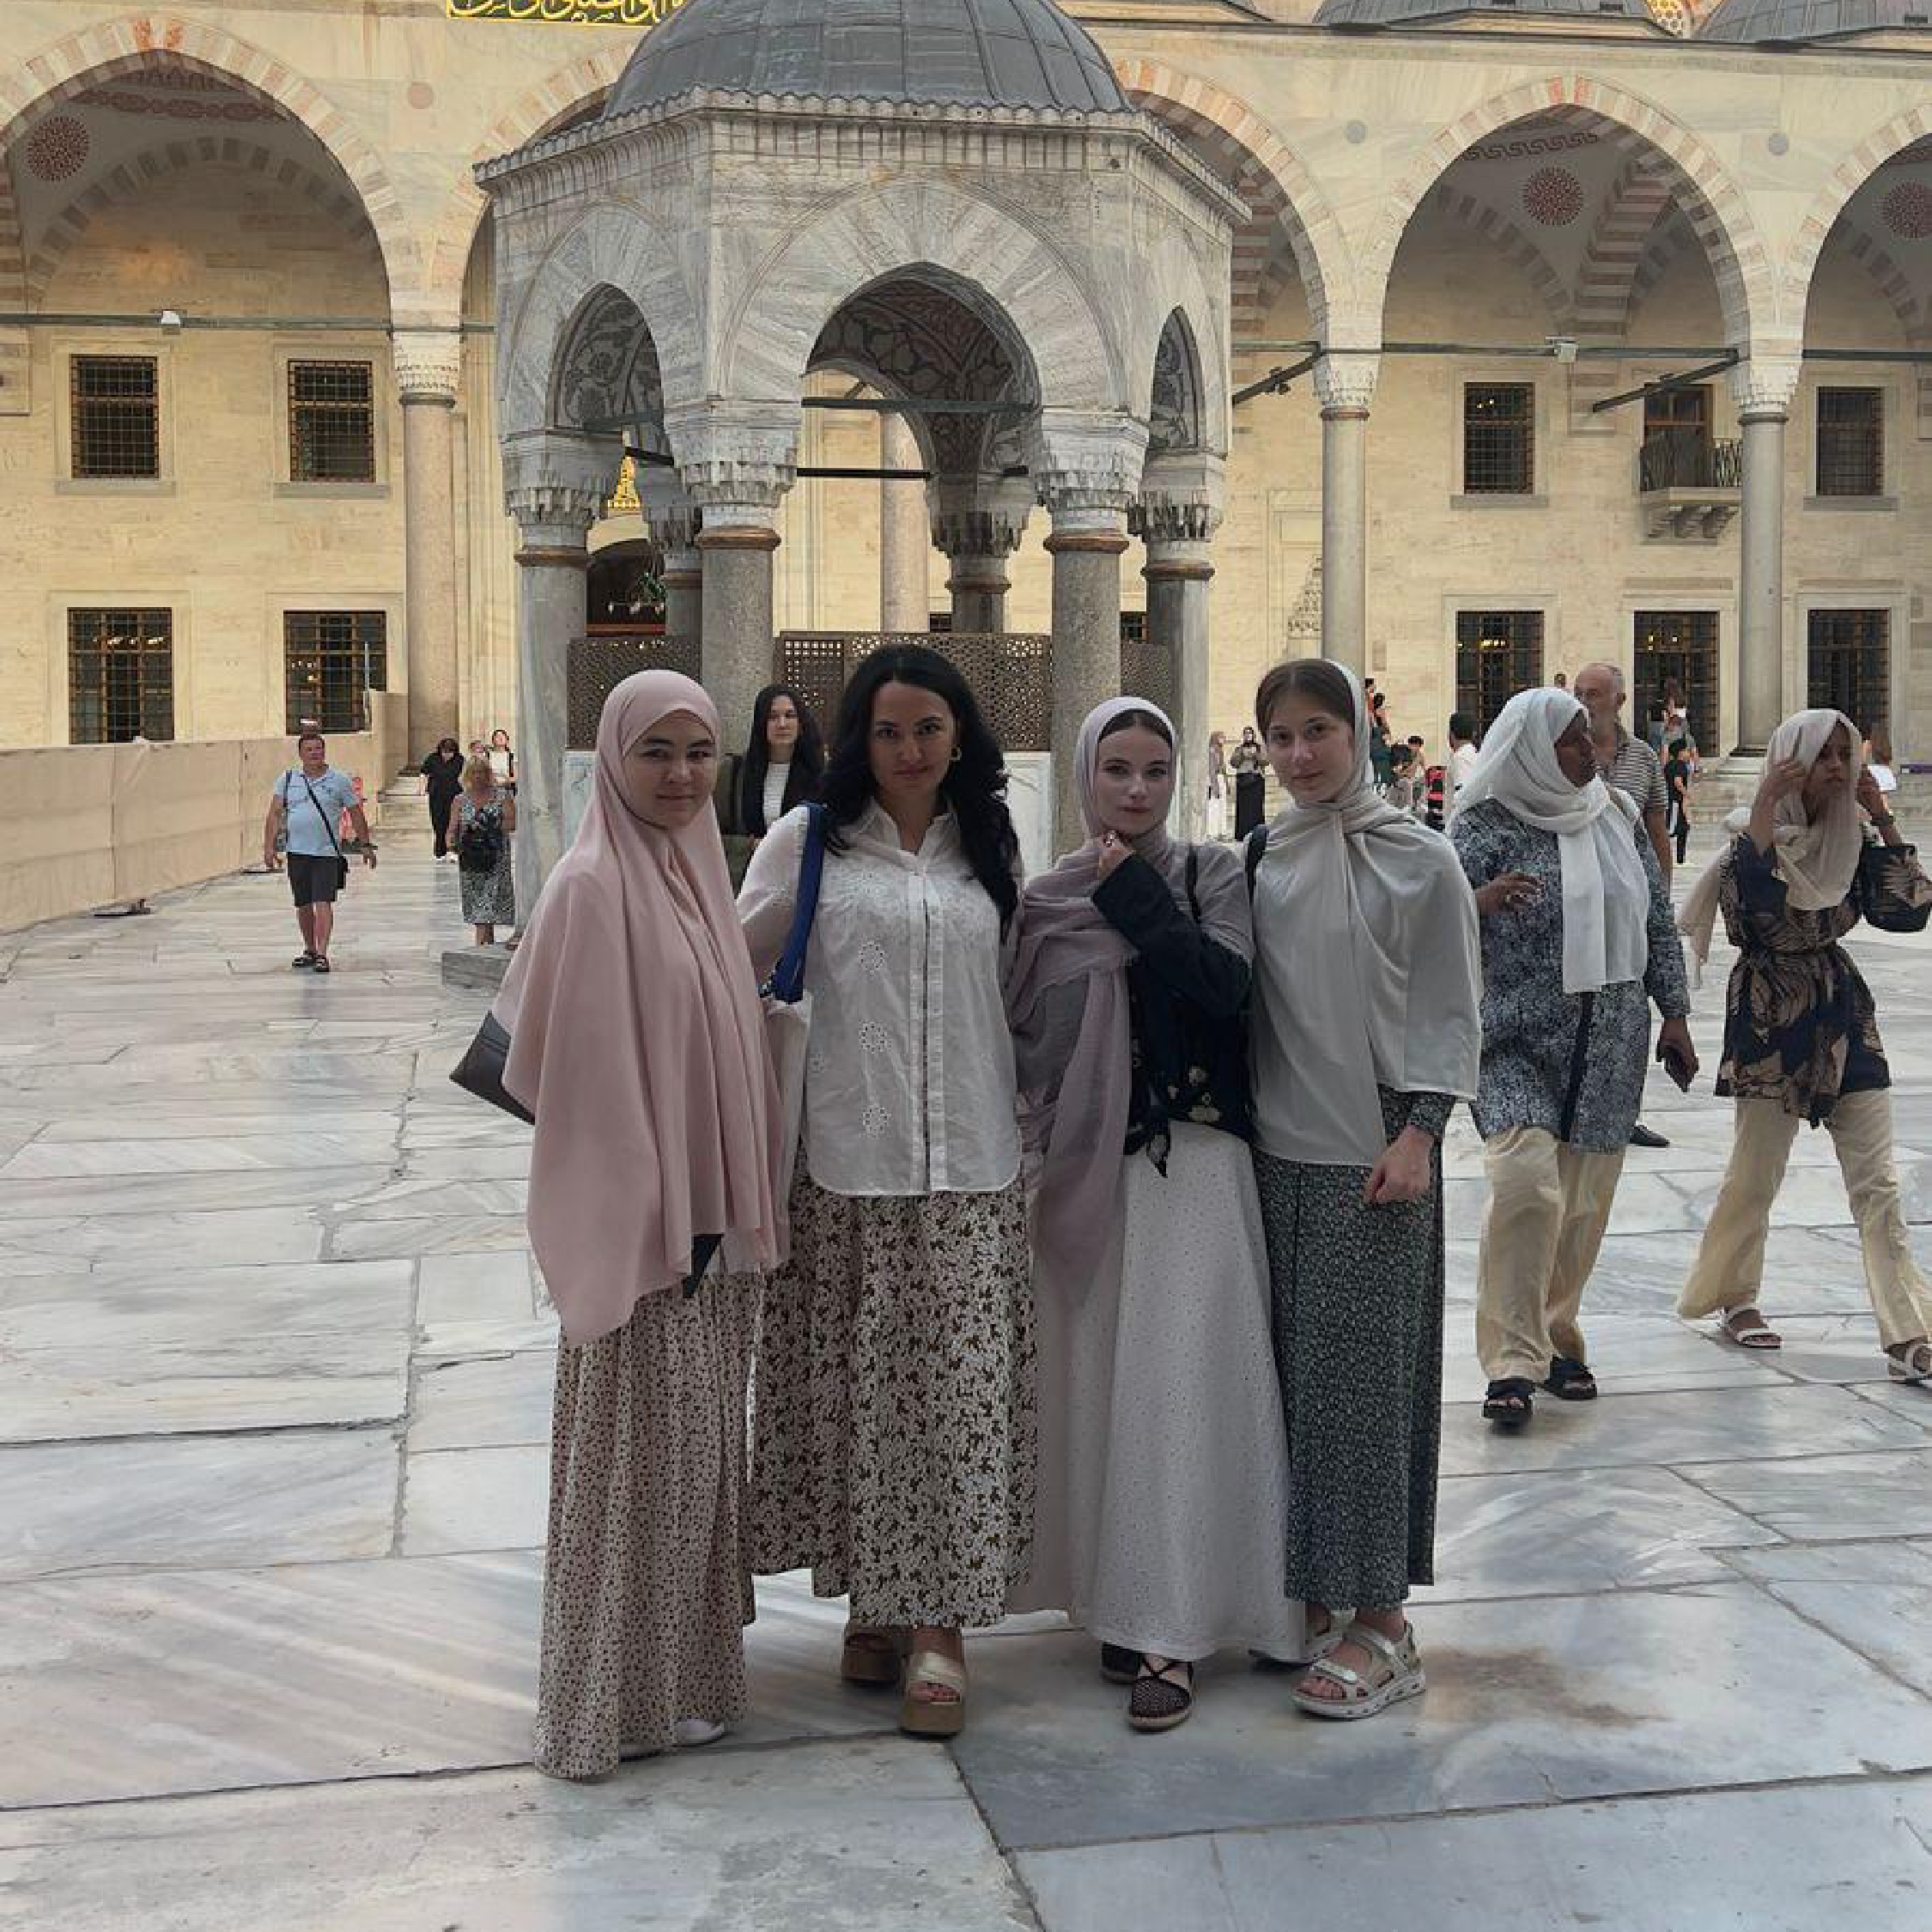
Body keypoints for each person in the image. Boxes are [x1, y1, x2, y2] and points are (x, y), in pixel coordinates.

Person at [493, 671, 786, 1781]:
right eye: (655, 751)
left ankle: (685, 1683)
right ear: (615, 759)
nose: (679, 774)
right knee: (632, 1474)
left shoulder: (695, 876)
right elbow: (563, 1080)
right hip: (642, 1241)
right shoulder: (588, 886)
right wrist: (646, 1196)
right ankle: (605, 1700)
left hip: (708, 1239)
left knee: (692, 1470)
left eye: (698, 751)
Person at [738, 643, 1033, 1741]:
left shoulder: (990, 843)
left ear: (960, 737)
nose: (909, 751)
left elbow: (1020, 988)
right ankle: (876, 1598)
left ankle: (939, 1629)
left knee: (954, 1401)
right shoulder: (808, 842)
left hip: (972, 1166)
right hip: (847, 1168)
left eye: (929, 729)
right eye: (889, 730)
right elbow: (728, 964)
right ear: (858, 738)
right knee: (862, 1398)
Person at [1005, 697, 1297, 1733]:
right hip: (1092, 1177)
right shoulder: (1048, 898)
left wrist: (1132, 893)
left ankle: (1175, 1627)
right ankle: (1124, 1601)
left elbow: (1222, 987)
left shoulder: (1209, 874)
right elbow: (1026, 1045)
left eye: (1156, 771)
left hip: (1196, 1167)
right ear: (1086, 773)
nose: (1136, 789)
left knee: (1181, 1394)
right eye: (1117, 769)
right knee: (1106, 1396)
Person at [1248, 659, 1482, 1722]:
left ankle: (1383, 1621)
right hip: (1276, 1149)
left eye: (1319, 731)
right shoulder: (1264, 854)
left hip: (1377, 1145)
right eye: (1281, 736)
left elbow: (1450, 1003)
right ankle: (1311, 1586)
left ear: (1358, 735)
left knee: (1368, 1388)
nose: (1300, 755)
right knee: (1293, 1380)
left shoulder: (1421, 858)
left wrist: (1422, 1133)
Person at [1451, 689, 1697, 1429]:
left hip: (1609, 1038)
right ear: (1530, 747)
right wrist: (1479, 901)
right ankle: (1511, 1360)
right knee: (1525, 1185)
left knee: (1583, 1205)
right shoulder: (1482, 824)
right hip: (1513, 1039)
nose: (1590, 753)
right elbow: (1427, 917)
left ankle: (1557, 1335)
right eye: (1572, 742)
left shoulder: (1614, 814)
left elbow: (1652, 916)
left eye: (1590, 740)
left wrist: (1675, 1014)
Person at [1677, 710, 1931, 1382]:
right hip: (1771, 1018)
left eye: (1845, 755)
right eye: (1824, 756)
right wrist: (1766, 803)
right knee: (1755, 1176)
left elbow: (1908, 910)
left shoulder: (1850, 837)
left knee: (1877, 1183)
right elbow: (1755, 921)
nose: (1838, 768)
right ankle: (1735, 1298)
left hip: (1843, 1016)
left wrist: (1883, 818)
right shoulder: (1749, 843)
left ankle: (1907, 1330)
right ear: (1791, 761)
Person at [1572, 660, 1674, 1151]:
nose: (1583, 702)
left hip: (1628, 900)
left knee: (1628, 1011)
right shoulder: (1565, 750)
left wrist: (1661, 894)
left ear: (1619, 700)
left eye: (1593, 694)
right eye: (1578, 693)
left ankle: (1626, 1112)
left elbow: (1656, 826)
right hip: (1579, 894)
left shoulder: (1644, 758)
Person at [262, 731, 375, 975]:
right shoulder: (288, 779)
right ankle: (310, 948)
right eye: (309, 749)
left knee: (323, 901)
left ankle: (323, 953)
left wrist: (365, 844)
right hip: (296, 851)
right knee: (303, 903)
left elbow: (355, 813)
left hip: (326, 852)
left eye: (318, 748)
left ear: (324, 751)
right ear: (300, 754)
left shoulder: (339, 780)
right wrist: (269, 847)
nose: (315, 753)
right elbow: (275, 813)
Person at [735, 683, 825, 839]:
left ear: (801, 723)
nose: (782, 724)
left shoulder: (821, 770)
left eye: (790, 715)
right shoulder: (738, 772)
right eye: (772, 717)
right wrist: (748, 845)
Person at [451, 752, 517, 946]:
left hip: (495, 857)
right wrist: (452, 842)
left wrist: (489, 826)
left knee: (488, 902)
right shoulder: (460, 799)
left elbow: (512, 823)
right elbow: (452, 828)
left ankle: (479, 946)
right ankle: (486, 945)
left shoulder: (502, 796)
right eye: (474, 772)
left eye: (481, 772)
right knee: (479, 904)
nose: (478, 776)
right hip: (471, 858)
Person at [422, 737, 465, 861]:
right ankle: (440, 851)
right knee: (438, 823)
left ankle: (453, 850)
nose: (447, 755)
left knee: (454, 823)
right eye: (445, 752)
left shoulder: (460, 760)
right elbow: (424, 773)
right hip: (436, 795)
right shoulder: (433, 758)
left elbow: (464, 776)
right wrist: (422, 788)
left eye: (450, 752)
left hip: (454, 795)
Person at [1230, 726, 1267, 838]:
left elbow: (1265, 761)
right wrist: (1242, 754)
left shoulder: (1259, 748)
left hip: (1256, 779)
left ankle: (1256, 832)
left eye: (1249, 733)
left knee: (1256, 808)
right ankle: (1242, 833)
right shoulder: (1239, 748)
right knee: (1243, 808)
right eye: (1245, 733)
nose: (1247, 736)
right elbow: (1233, 763)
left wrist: (1255, 755)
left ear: (1253, 735)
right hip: (1243, 781)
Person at [1663, 738, 1693, 868]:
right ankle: (1667, 859)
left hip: (1673, 802)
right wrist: (1687, 794)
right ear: (1680, 752)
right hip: (1674, 802)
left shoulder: (1669, 765)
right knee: (1671, 830)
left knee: (1682, 829)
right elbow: (1678, 782)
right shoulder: (1679, 765)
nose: (1688, 753)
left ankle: (1680, 859)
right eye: (1686, 750)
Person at [1445, 712, 1480, 819]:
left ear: (1451, 734)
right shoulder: (1473, 754)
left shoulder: (1461, 757)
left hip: (1460, 821)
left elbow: (1463, 794)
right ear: (1473, 734)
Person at [1205, 731, 1231, 841]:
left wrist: (1227, 784)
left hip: (1221, 779)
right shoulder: (1211, 751)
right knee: (1214, 806)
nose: (1223, 740)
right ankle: (1212, 833)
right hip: (1214, 780)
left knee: (1222, 807)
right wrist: (1215, 786)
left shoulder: (1220, 751)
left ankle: (1222, 832)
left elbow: (1223, 770)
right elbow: (1211, 770)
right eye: (1221, 737)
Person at [1865, 723, 1899, 800]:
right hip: (1884, 771)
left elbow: (1863, 759)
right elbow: (1888, 759)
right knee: (1884, 798)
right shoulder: (1885, 745)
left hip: (1872, 771)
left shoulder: (1868, 743)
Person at [488, 728, 516, 793]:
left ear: (506, 740)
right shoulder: (487, 755)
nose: (500, 738)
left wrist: (504, 782)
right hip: (490, 791)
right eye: (497, 736)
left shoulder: (511, 756)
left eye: (502, 736)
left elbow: (515, 777)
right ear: (493, 740)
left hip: (507, 790)